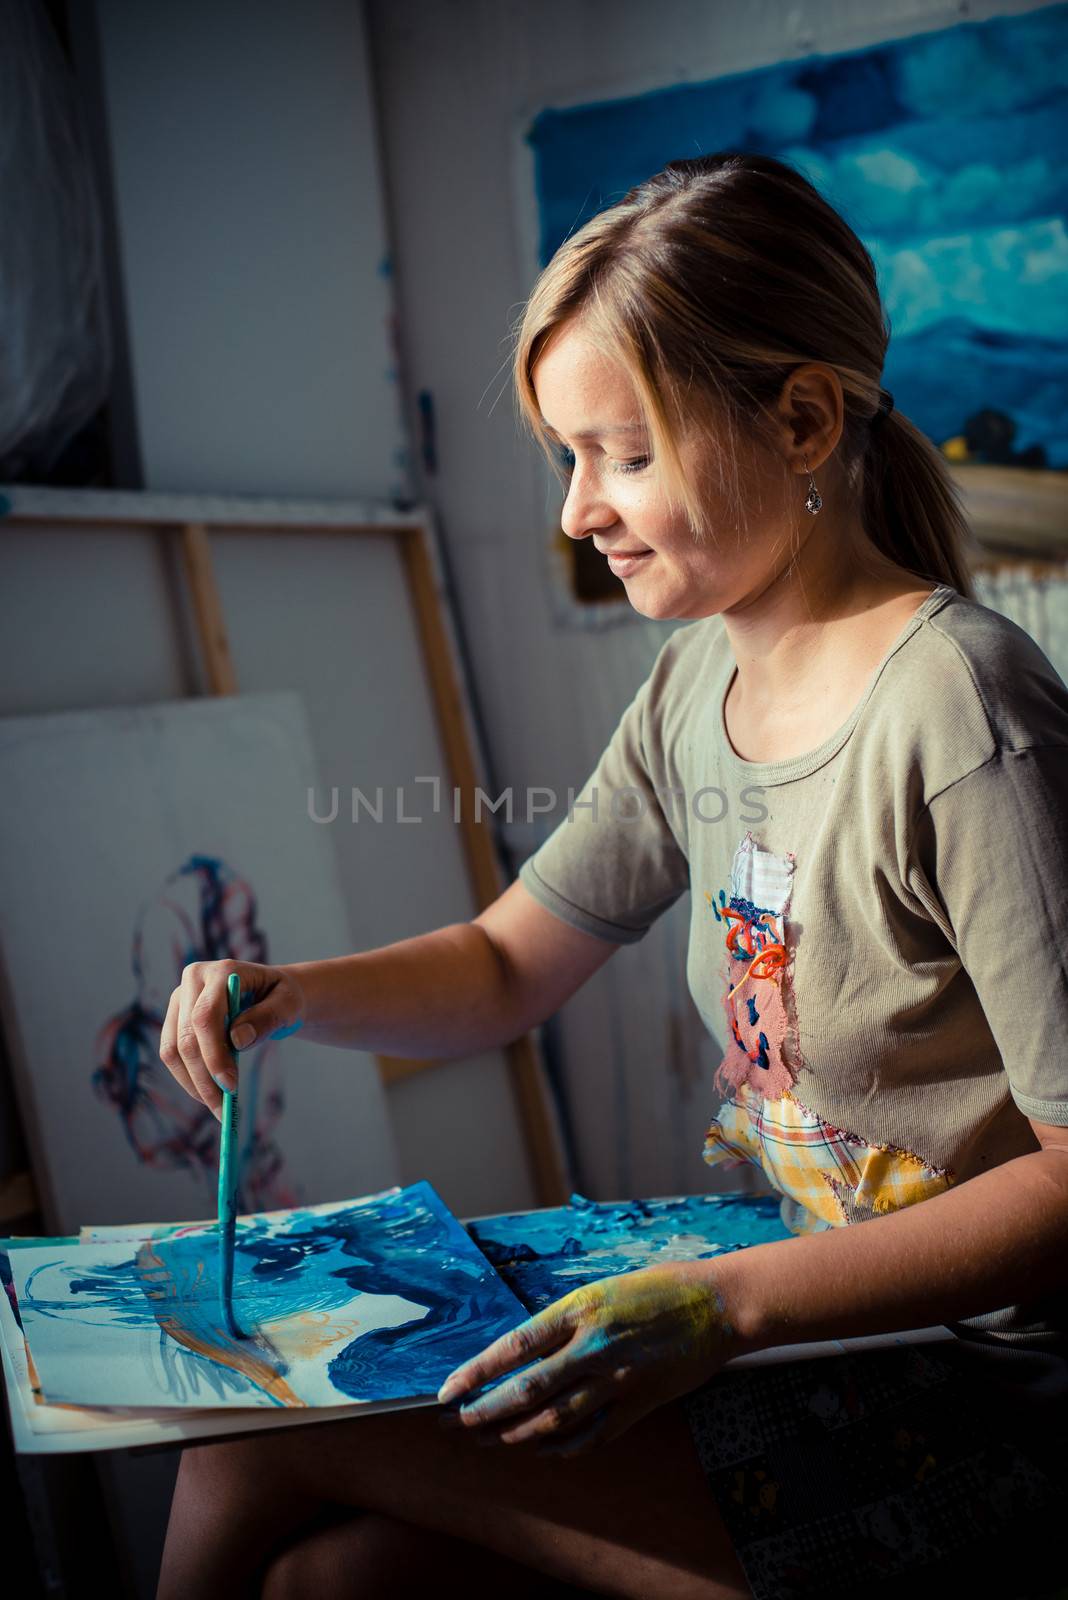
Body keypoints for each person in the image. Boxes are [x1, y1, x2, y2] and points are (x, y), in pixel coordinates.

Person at [156, 152, 1068, 1600]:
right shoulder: (690, 685)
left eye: (623, 453)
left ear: (805, 420)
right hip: (805, 1343)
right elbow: (511, 963)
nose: (580, 510)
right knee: (333, 1581)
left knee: (247, 1440)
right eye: (567, 458)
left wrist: (724, 1305)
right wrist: (288, 998)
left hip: (982, 1410)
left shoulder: (960, 708)